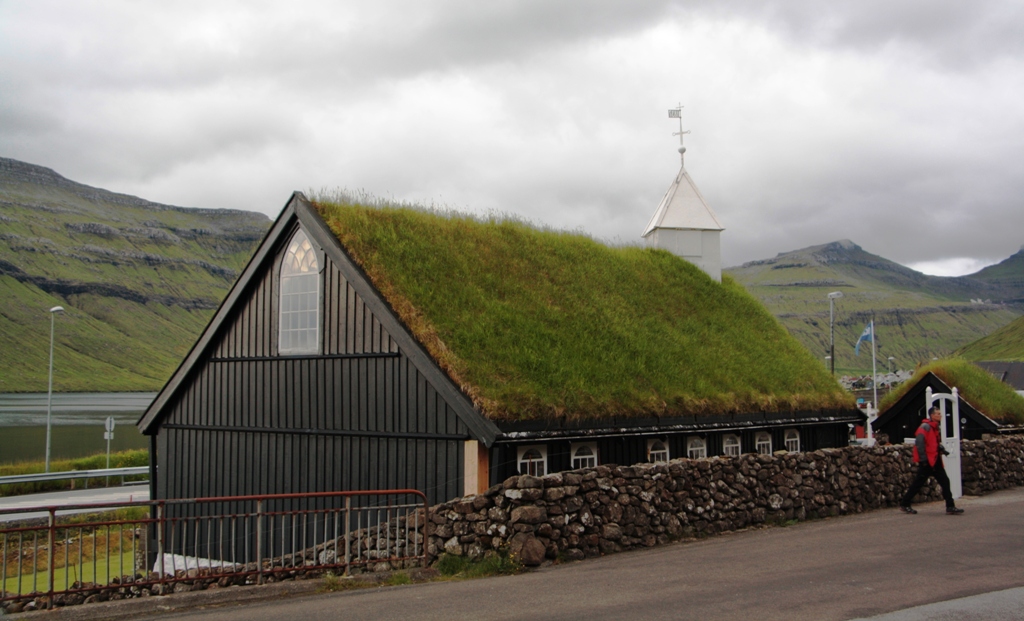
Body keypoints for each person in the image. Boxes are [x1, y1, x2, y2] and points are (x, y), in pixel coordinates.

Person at [900, 406, 964, 515]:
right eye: (938, 413)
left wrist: (940, 448)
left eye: (940, 413)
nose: (940, 415)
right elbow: (919, 443)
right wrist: (924, 460)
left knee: (944, 481)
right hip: (928, 461)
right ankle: (905, 503)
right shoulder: (926, 427)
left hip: (934, 460)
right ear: (932, 415)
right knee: (918, 483)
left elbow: (932, 443)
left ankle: (950, 506)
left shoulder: (933, 427)